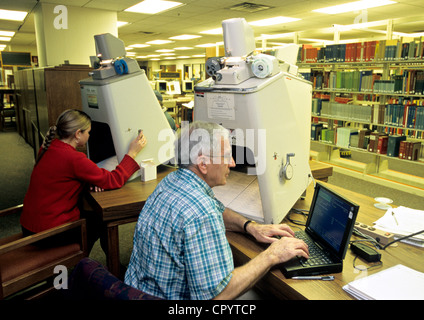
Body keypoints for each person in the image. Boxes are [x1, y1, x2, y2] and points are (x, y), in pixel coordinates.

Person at [124, 121, 309, 300]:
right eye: (227, 155)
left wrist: (250, 226)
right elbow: (217, 296)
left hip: (137, 291)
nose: (233, 163)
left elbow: (217, 209)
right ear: (203, 164)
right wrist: (272, 255)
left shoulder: (171, 181)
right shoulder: (201, 212)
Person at [20, 109, 147, 252]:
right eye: (88, 132)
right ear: (77, 134)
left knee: (91, 214)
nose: (90, 135)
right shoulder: (73, 158)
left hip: (30, 225)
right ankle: (91, 262)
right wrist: (132, 153)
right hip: (49, 233)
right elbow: (113, 179)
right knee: (102, 220)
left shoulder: (49, 146)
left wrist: (89, 180)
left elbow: (62, 178)